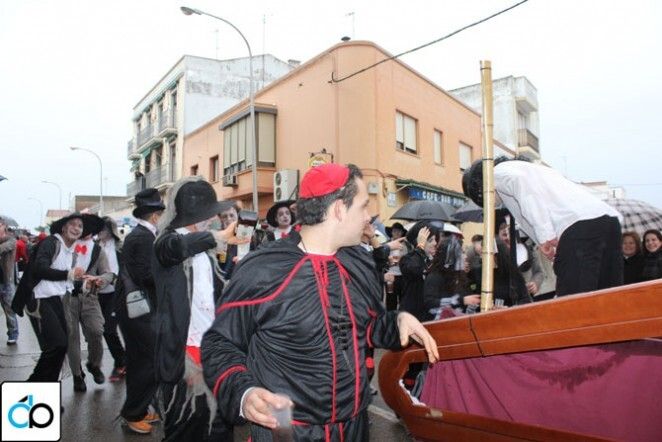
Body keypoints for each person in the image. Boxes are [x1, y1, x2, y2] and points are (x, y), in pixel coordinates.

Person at [201, 163, 439, 441]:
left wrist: (398, 321)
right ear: (339, 209)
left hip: (353, 426)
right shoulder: (263, 269)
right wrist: (244, 392)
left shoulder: (359, 262)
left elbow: (369, 326)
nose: (368, 218)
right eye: (363, 206)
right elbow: (220, 343)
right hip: (287, 430)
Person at [152, 177, 243, 441]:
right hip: (184, 357)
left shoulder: (205, 251)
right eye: (209, 213)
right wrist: (216, 237)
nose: (213, 218)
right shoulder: (167, 242)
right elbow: (176, 248)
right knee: (186, 428)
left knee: (219, 428)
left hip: (213, 351)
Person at [463, 157, 623, 297]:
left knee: (575, 304)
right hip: (607, 221)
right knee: (608, 297)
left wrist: (545, 236)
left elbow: (522, 185)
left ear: (481, 187)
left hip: (578, 227)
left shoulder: (497, 173)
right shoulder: (530, 170)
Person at [13, 214, 86, 381]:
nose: (76, 228)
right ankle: (32, 386)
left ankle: (47, 389)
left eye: (80, 226)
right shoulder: (51, 242)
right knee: (55, 346)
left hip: (56, 299)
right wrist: (68, 274)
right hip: (39, 298)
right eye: (73, 224)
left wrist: (83, 283)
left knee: (61, 346)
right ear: (63, 227)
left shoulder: (71, 250)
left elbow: (66, 280)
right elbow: (40, 269)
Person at [117, 188, 164, 434]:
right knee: (147, 362)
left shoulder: (142, 235)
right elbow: (146, 276)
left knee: (141, 361)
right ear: (155, 216)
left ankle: (139, 408)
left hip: (137, 309)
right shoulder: (143, 238)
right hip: (139, 310)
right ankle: (133, 412)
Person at [63, 213, 111, 393]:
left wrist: (100, 280)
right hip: (68, 298)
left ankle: (94, 364)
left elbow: (108, 273)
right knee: (72, 338)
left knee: (96, 331)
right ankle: (77, 375)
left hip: (90, 298)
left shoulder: (98, 250)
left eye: (84, 226)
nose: (81, 230)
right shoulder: (65, 247)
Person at [424, 227, 480, 320]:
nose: (465, 256)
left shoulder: (460, 276)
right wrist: (461, 301)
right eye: (461, 253)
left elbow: (467, 304)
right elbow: (430, 303)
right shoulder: (434, 277)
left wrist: (473, 305)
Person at [97, 217, 126, 381]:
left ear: (110, 229)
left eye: (103, 228)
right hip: (98, 293)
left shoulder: (119, 246)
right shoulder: (95, 247)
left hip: (116, 293)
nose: (100, 232)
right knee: (103, 330)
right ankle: (123, 360)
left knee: (109, 329)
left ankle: (121, 362)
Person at [399, 221, 441, 321]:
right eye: (430, 240)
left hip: (431, 316)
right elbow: (414, 269)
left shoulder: (435, 261)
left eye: (435, 240)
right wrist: (420, 248)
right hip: (412, 317)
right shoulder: (408, 259)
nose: (435, 243)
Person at [0, 220, 18, 345]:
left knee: (9, 310)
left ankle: (13, 334)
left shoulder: (11, 240)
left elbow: (3, 248)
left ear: (4, 227)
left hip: (6, 281)